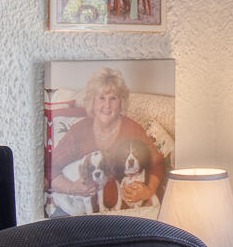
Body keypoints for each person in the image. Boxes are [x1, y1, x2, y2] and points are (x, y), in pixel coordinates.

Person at [46, 67, 166, 213]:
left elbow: (158, 163)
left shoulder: (132, 129)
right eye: (101, 98)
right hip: (82, 209)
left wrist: (148, 190)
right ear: (92, 101)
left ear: (121, 102)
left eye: (113, 98)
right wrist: (71, 188)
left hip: (123, 211)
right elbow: (50, 168)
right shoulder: (79, 130)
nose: (107, 106)